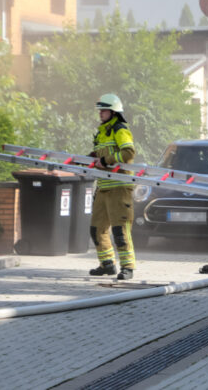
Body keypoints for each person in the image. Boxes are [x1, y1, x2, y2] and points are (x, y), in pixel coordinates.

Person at [88, 93, 137, 280]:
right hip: (104, 186)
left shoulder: (119, 129)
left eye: (104, 110)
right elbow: (101, 153)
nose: (100, 113)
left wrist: (105, 160)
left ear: (114, 112)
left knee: (120, 230)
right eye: (100, 110)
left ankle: (128, 267)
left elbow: (128, 152)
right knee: (96, 228)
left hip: (119, 187)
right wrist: (90, 158)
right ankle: (107, 264)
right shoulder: (103, 131)